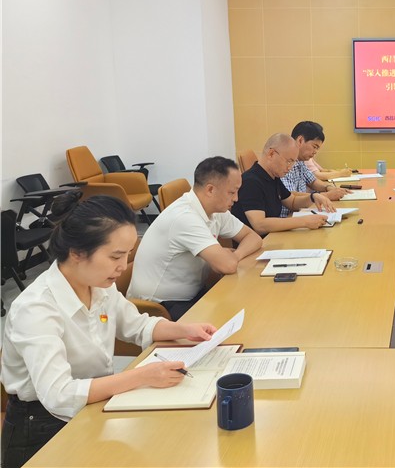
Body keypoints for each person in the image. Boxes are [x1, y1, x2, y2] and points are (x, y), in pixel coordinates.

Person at [0, 196, 217, 468]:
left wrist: (184, 329)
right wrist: (141, 376)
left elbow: (137, 325)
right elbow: (59, 394)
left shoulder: (100, 285)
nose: (123, 266)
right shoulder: (36, 309)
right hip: (43, 426)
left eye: (127, 254)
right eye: (115, 256)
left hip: (95, 403)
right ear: (77, 252)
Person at [127, 157, 262, 320]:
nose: (236, 199)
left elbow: (253, 238)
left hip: (192, 293)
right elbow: (227, 265)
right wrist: (227, 258)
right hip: (161, 306)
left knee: (247, 306)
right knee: (232, 319)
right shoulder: (185, 217)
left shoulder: (216, 210)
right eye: (232, 192)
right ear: (210, 190)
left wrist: (235, 255)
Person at [231, 133, 337, 236]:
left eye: (293, 162)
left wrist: (313, 197)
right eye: (288, 161)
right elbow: (260, 225)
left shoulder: (273, 176)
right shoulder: (251, 182)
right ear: (271, 154)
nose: (290, 167)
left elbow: (292, 201)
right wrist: (304, 221)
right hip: (260, 243)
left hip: (274, 237)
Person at [280, 121, 348, 217]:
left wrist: (329, 188)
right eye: (314, 147)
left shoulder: (300, 161)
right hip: (287, 217)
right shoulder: (284, 163)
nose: (315, 152)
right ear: (300, 140)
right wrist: (326, 195)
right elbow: (289, 197)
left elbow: (312, 181)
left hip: (300, 212)